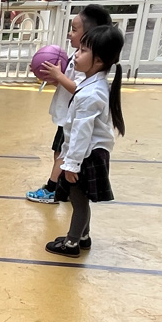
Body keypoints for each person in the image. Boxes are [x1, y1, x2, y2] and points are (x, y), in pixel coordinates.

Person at [44, 24, 125, 257]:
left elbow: (81, 133)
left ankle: (71, 243)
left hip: (86, 155)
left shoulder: (91, 94)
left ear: (98, 60)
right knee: (80, 198)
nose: (76, 55)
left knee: (78, 201)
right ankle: (83, 236)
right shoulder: (92, 85)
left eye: (83, 51)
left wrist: (71, 164)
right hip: (89, 153)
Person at [26, 5, 113, 204]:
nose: (69, 34)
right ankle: (62, 188)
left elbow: (79, 89)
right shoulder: (79, 56)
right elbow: (67, 84)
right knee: (60, 152)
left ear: (90, 34)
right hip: (68, 116)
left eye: (74, 29)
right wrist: (48, 75)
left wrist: (58, 76)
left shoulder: (88, 64)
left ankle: (52, 189)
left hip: (74, 117)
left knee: (62, 154)